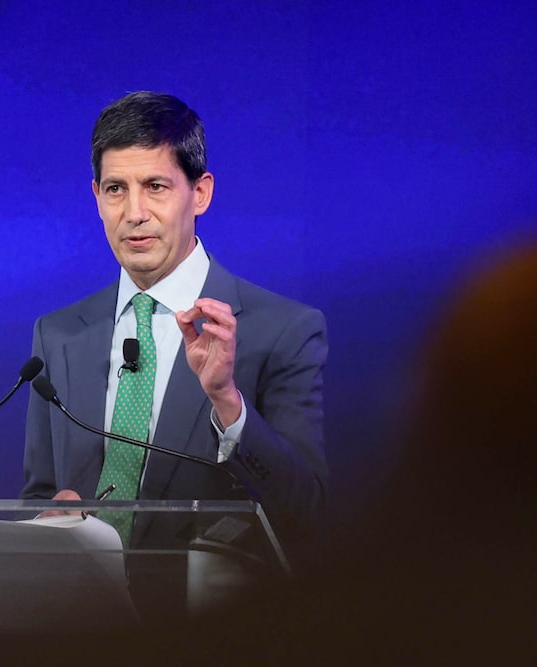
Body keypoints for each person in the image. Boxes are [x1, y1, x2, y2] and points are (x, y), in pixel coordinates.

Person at [20, 92, 329, 559]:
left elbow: (308, 512)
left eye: (156, 187)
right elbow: (39, 494)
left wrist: (227, 400)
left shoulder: (282, 331)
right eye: (115, 189)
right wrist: (49, 520)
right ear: (96, 197)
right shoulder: (58, 334)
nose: (134, 213)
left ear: (200, 192)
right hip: (84, 620)